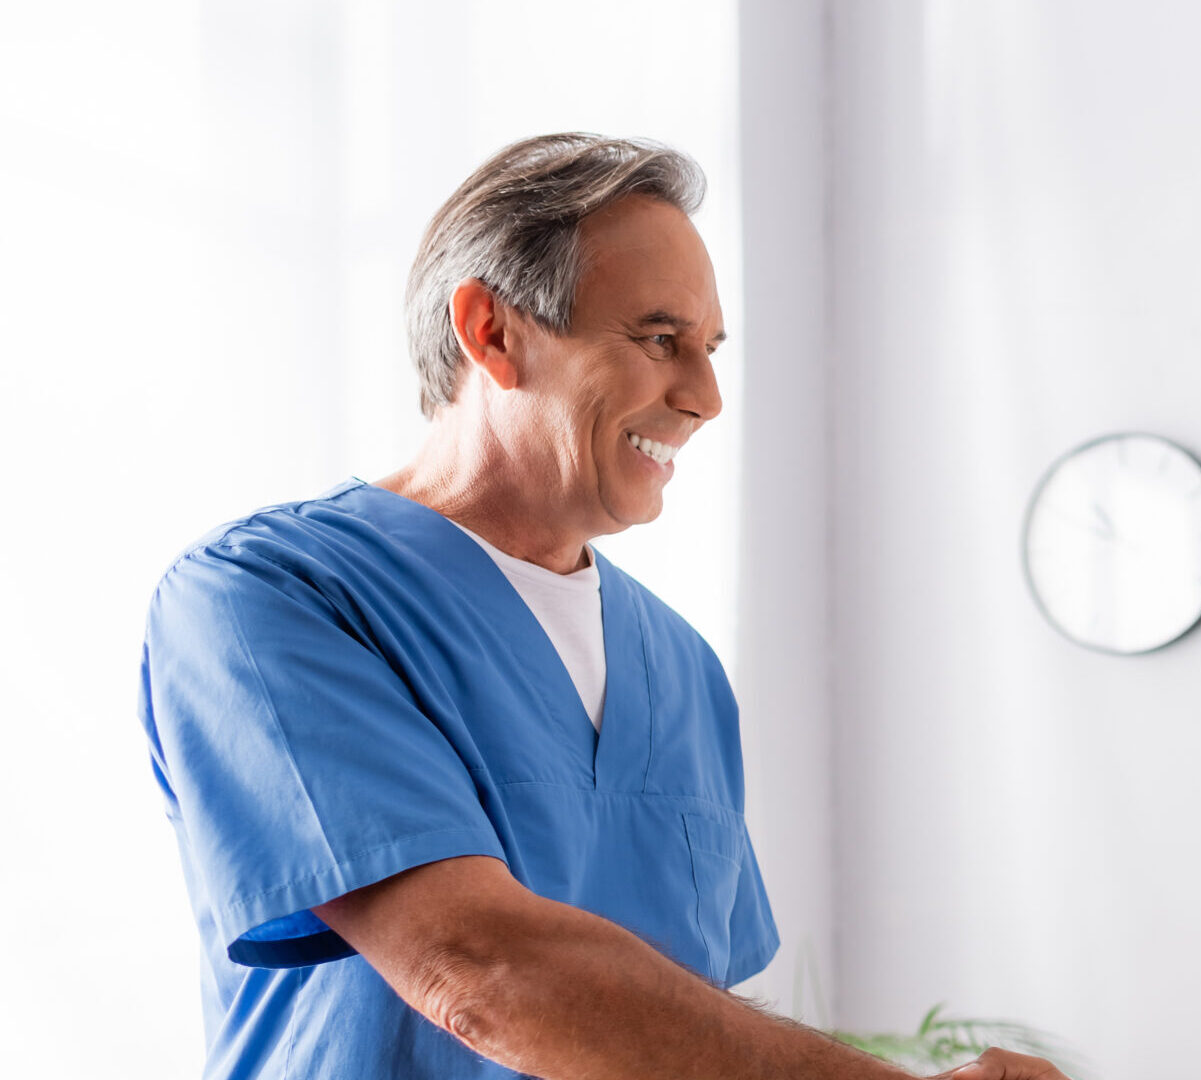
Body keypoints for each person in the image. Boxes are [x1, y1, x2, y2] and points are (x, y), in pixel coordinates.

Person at [138, 134, 1065, 1080]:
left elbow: (683, 1027)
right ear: (492, 332)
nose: (705, 397)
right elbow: (477, 969)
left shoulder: (682, 667)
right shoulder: (268, 598)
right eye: (660, 340)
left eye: (710, 350)